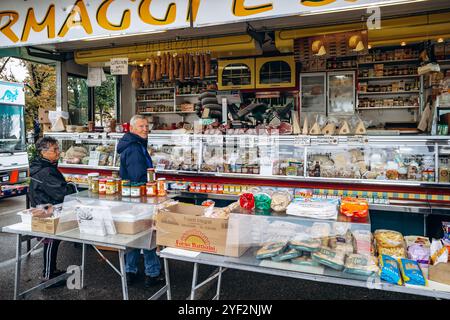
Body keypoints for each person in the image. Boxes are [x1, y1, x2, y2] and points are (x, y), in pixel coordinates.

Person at [117, 115, 164, 287]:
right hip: (139, 196)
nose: (145, 129)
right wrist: (151, 187)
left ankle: (130, 271)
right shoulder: (135, 148)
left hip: (131, 196)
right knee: (147, 234)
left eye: (146, 126)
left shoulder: (132, 144)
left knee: (134, 233)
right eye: (141, 126)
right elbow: (138, 176)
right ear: (132, 129)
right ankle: (152, 273)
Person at [29, 136, 75, 284]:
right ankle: (48, 276)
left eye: (57, 149)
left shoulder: (42, 166)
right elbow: (61, 192)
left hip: (44, 207)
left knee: (52, 240)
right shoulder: (46, 170)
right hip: (47, 210)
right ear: (43, 152)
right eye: (54, 149)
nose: (58, 152)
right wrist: (72, 186)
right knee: (51, 240)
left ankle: (51, 271)